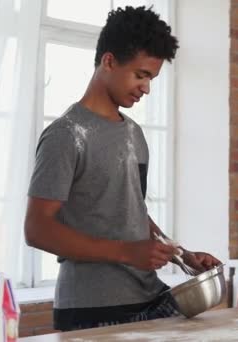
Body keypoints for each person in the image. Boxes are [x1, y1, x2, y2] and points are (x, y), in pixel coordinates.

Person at [24, 6, 221, 331]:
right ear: (109, 61)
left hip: (148, 295)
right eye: (140, 75)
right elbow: (36, 229)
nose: (146, 88)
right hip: (91, 308)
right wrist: (127, 252)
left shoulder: (134, 133)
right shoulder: (65, 135)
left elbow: (131, 212)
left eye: (152, 78)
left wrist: (181, 254)